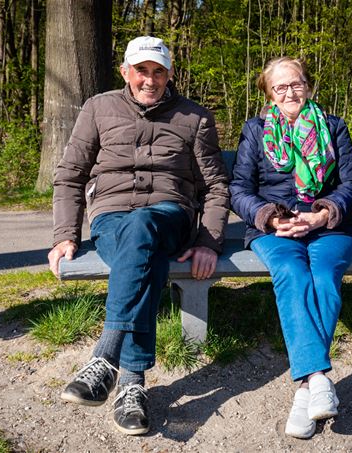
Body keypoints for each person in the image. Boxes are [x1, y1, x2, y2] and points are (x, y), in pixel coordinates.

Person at [47, 36, 229, 436]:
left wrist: (207, 240)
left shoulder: (194, 117)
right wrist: (65, 234)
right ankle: (132, 385)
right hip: (111, 218)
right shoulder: (98, 108)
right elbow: (70, 175)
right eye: (142, 70)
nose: (150, 79)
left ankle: (105, 356)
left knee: (145, 225)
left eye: (158, 71)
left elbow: (216, 187)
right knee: (140, 249)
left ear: (170, 74)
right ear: (126, 72)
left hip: (170, 217)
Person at [229, 57, 352, 439]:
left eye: (297, 84)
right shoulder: (255, 131)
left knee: (323, 276)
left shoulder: (334, 127)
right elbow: (239, 190)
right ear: (268, 93)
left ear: (309, 85)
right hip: (276, 229)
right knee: (291, 272)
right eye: (280, 87)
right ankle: (319, 377)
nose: (290, 93)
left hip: (328, 228)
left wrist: (323, 214)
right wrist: (270, 217)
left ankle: (306, 388)